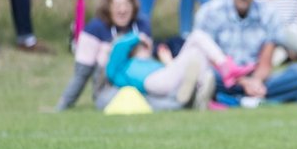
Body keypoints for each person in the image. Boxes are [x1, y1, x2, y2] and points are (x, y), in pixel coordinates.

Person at [105, 27, 250, 110]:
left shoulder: (151, 63)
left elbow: (171, 74)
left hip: (165, 80)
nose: (145, 50)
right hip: (153, 82)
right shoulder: (120, 69)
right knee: (196, 36)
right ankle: (225, 68)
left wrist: (168, 62)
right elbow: (118, 48)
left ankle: (203, 96)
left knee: (197, 52)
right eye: (140, 49)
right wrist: (139, 37)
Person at [55, 0, 149, 111]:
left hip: (140, 85)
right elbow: (81, 74)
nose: (122, 10)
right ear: (108, 7)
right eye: (117, 5)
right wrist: (63, 104)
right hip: (108, 90)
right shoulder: (94, 29)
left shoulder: (141, 26)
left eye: (126, 4)